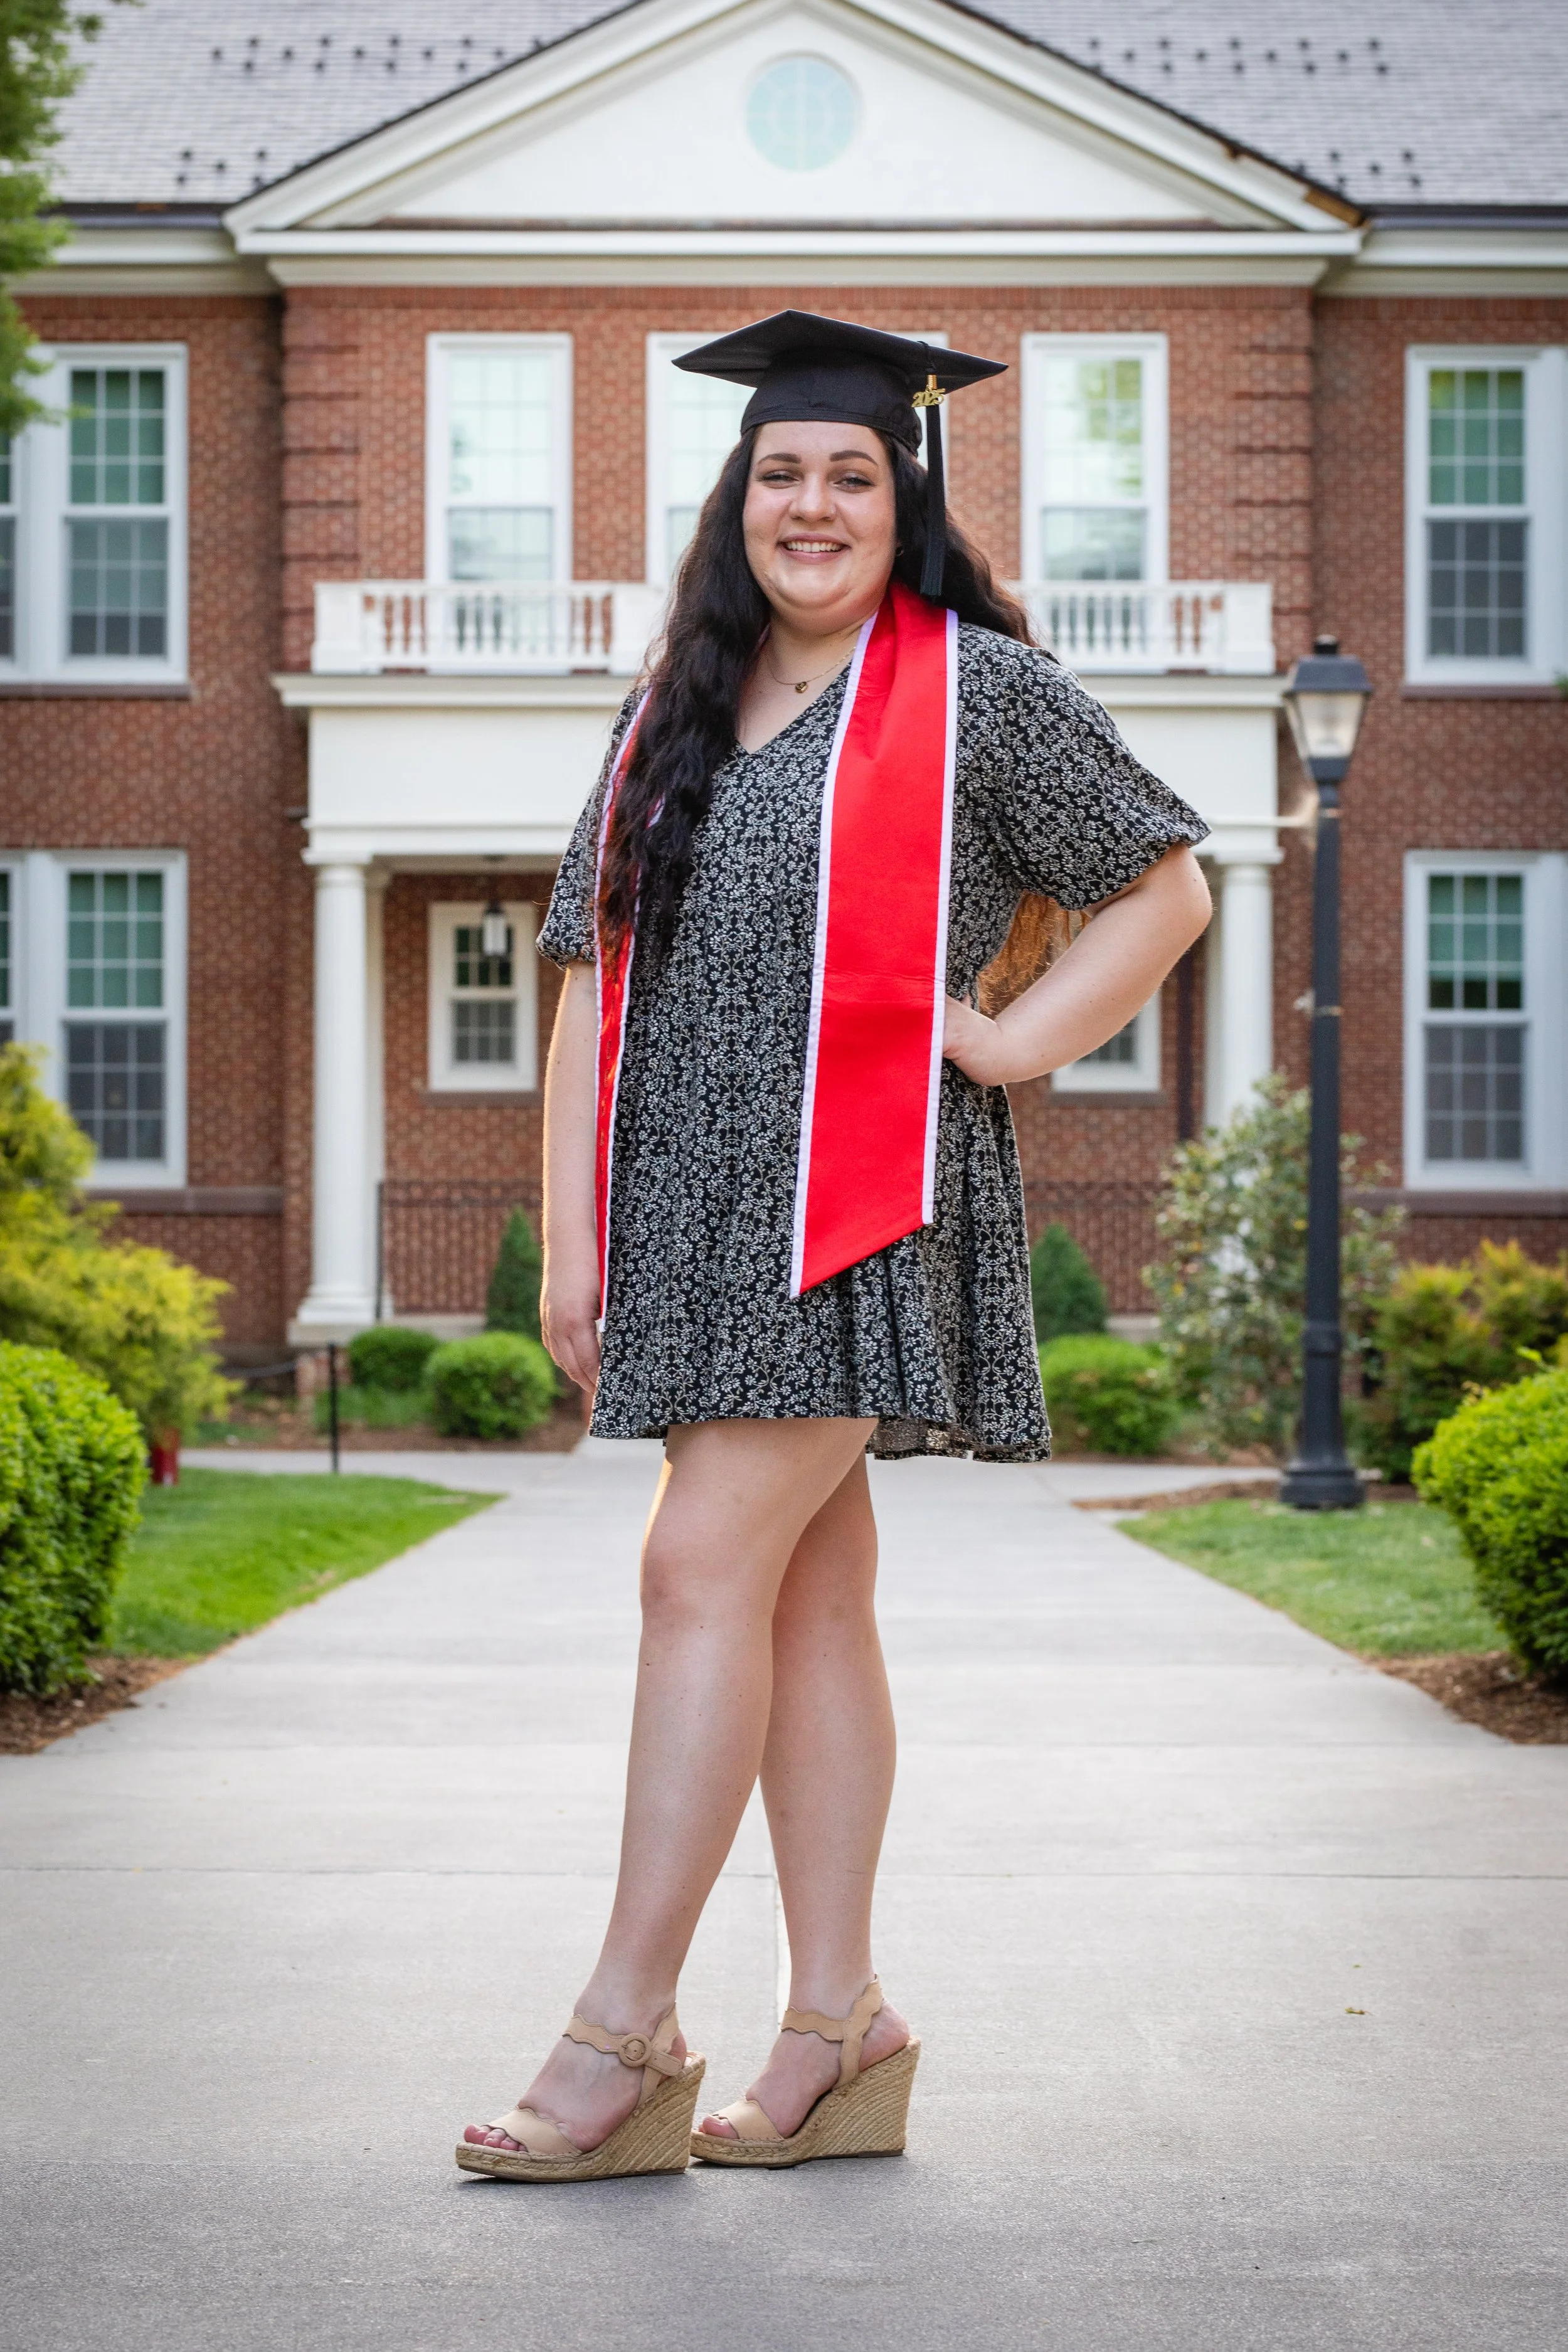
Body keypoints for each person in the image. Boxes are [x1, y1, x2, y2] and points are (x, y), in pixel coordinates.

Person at [457, 314, 1211, 2183]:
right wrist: (570, 1237)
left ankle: (623, 2028)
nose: (812, 503)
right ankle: (838, 2021)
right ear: (740, 500)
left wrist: (1011, 1041)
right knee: (801, 1595)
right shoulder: (675, 709)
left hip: (853, 1202)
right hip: (692, 1212)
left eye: (850, 475)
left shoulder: (974, 694)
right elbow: (584, 974)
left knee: (688, 1569)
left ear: (905, 498)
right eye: (781, 472)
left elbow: (1164, 881)